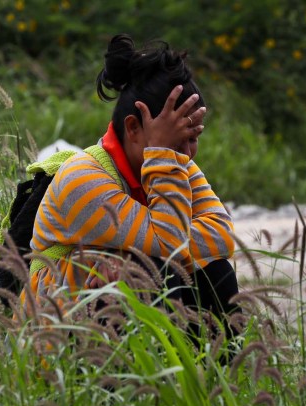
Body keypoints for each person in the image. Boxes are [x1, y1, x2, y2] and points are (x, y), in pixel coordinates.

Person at [19, 34, 240, 328]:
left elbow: (222, 235)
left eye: (194, 139)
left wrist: (137, 249)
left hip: (118, 320)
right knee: (148, 270)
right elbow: (168, 247)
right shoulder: (82, 179)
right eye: (177, 141)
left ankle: (209, 373)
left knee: (217, 272)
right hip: (58, 335)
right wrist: (161, 156)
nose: (187, 154)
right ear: (133, 128)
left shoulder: (178, 164)